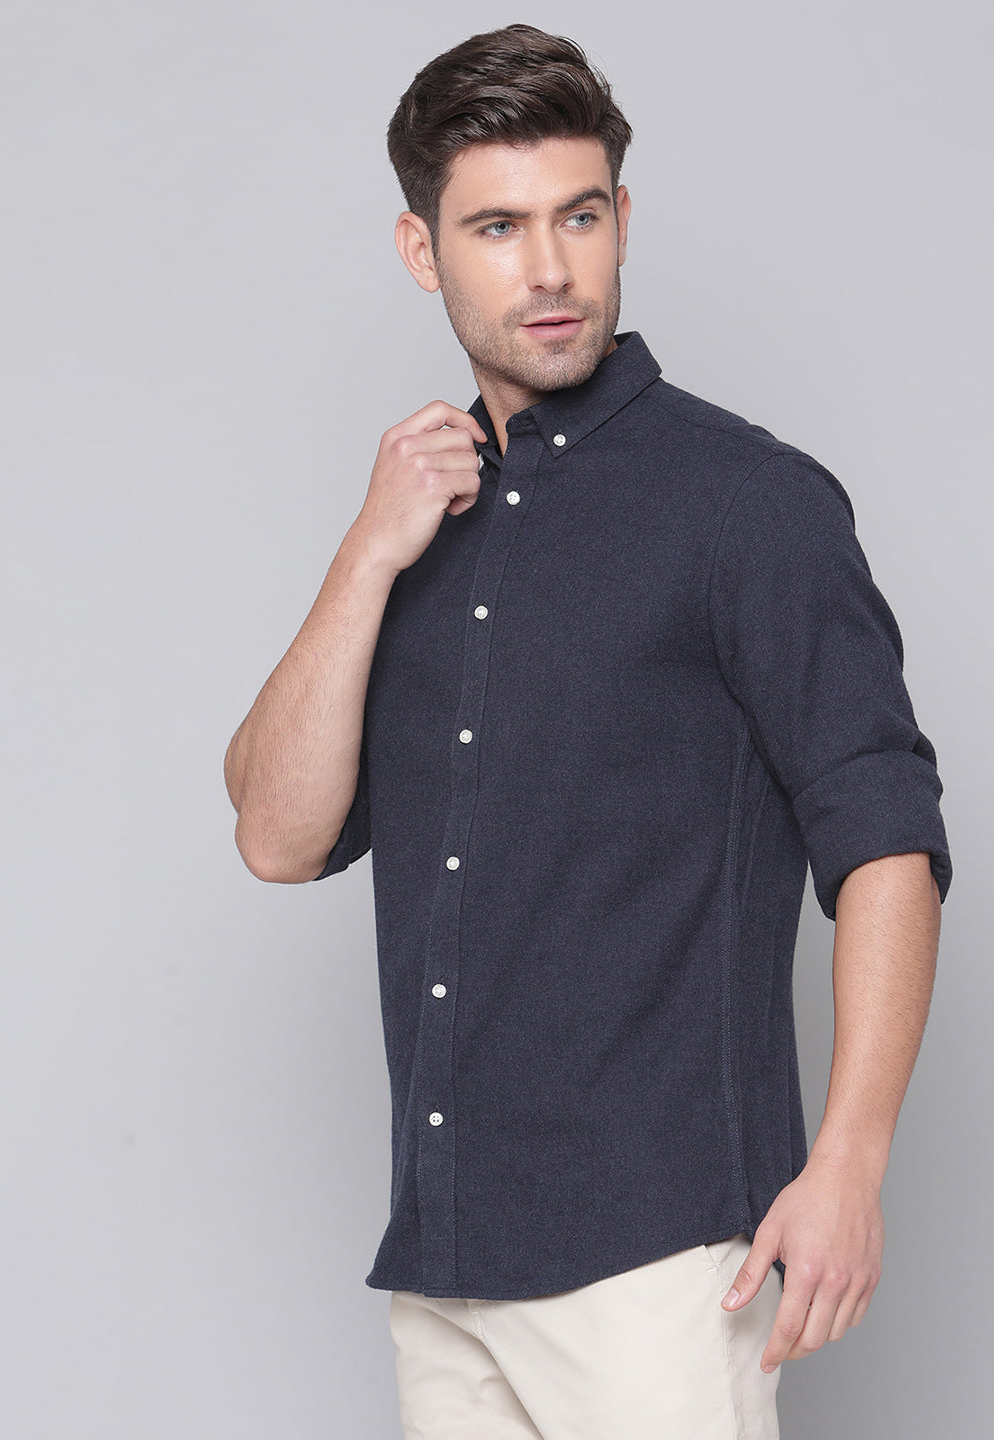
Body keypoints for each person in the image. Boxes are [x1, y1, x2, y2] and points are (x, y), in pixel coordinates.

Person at [223, 23, 951, 1439]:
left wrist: (851, 1163)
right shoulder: (415, 525)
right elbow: (275, 833)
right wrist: (367, 552)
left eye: (579, 216)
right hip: (446, 1260)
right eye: (497, 227)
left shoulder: (750, 505)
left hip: (662, 1263)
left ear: (624, 218)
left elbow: (884, 837)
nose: (550, 269)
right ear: (423, 250)